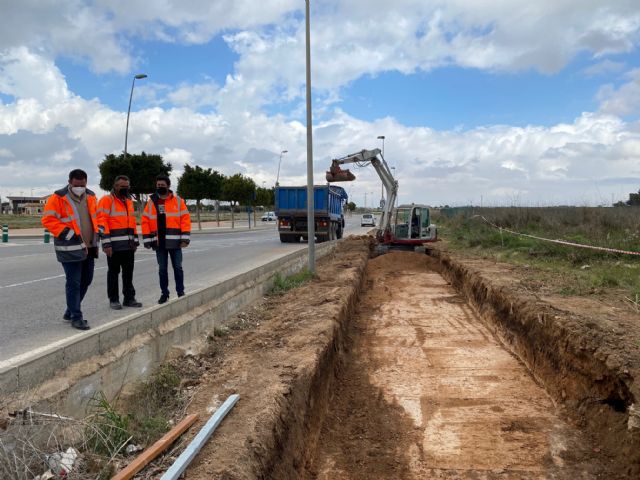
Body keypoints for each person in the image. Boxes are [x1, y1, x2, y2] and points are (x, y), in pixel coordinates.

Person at [42, 169, 99, 330]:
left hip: (89, 246)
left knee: (86, 280)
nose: (79, 188)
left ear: (86, 182)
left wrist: (99, 229)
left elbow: (96, 216)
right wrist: (67, 232)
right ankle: (76, 316)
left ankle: (70, 310)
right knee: (73, 282)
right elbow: (48, 219)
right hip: (69, 247)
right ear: (69, 182)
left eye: (82, 185)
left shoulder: (92, 196)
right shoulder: (58, 198)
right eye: (76, 185)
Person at [141, 175, 191, 304]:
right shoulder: (152, 201)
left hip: (175, 243)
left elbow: (185, 220)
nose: (160, 187)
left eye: (162, 185)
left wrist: (185, 238)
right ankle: (164, 294)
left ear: (168, 186)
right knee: (162, 270)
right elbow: (145, 220)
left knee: (178, 268)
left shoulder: (178, 201)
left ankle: (180, 292)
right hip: (159, 243)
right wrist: (147, 239)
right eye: (158, 185)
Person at [97, 175, 142, 310]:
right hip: (114, 246)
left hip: (128, 246)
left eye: (127, 187)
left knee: (128, 273)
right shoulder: (106, 200)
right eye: (122, 187)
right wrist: (106, 244)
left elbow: (132, 223)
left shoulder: (128, 201)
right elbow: (101, 222)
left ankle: (129, 298)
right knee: (113, 273)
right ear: (115, 186)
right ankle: (114, 299)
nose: (125, 189)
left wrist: (135, 241)